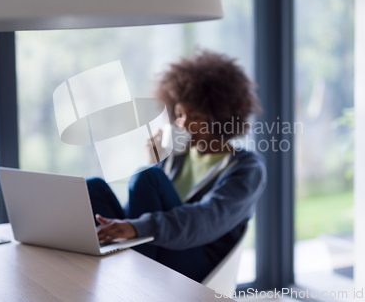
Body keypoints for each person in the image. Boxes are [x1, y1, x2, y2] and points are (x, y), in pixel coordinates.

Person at [86, 49, 266, 282]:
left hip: (198, 262)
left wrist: (139, 223)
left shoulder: (246, 168)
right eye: (179, 114)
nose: (183, 124)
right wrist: (156, 162)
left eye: (195, 116)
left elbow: (205, 220)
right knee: (93, 187)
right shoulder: (178, 155)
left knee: (147, 177)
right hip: (158, 248)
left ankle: (127, 283)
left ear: (221, 117)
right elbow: (144, 208)